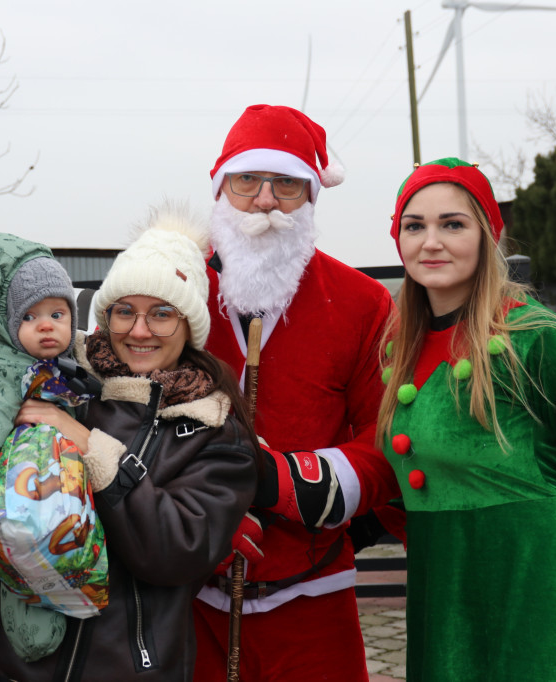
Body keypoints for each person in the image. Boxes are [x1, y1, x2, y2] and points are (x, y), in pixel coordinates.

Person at [0, 205, 260, 681]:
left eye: (162, 314)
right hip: (10, 668)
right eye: (125, 311)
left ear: (189, 326)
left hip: (126, 670)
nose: (139, 331)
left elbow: (176, 551)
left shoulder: (215, 430)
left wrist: (95, 452)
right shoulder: (56, 382)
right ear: (106, 315)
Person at [378, 157, 556, 680]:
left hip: (546, 596)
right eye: (414, 226)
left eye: (453, 224)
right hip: (447, 596)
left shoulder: (534, 336)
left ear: (488, 236)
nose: (431, 241)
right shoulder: (397, 349)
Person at [192, 104, 402, 681]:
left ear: (312, 195)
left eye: (286, 183)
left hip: (315, 597)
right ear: (220, 188)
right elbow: (126, 417)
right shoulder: (172, 293)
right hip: (188, 599)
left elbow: (384, 445)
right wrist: (199, 511)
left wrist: (278, 482)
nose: (264, 200)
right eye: (247, 181)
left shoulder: (363, 303)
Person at [0, 233, 94, 662]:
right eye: (29, 316)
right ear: (2, 321)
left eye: (58, 313)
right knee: (2, 563)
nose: (47, 325)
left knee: (26, 558)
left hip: (48, 499)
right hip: (0, 500)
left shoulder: (72, 369)